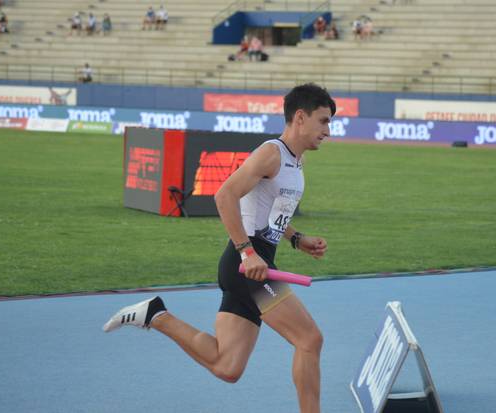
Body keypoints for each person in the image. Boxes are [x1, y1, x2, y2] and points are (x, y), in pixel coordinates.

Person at [103, 83, 335, 413]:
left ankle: (156, 315)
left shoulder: (296, 162)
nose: (328, 130)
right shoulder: (271, 153)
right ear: (301, 117)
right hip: (248, 268)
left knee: (227, 366)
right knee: (310, 340)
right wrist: (246, 251)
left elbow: (271, 213)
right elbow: (224, 196)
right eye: (323, 121)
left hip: (252, 266)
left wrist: (297, 239)